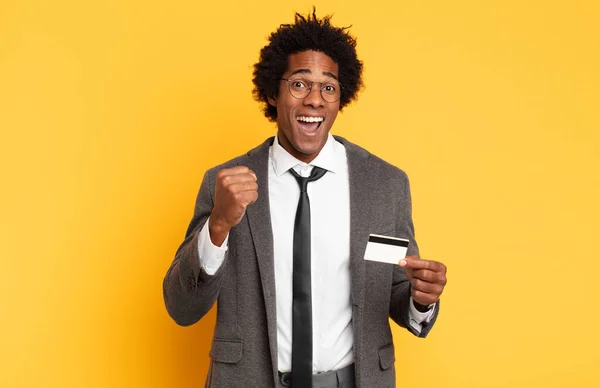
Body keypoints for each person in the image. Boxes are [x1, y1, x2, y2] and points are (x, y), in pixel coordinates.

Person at [163, 9, 447, 388]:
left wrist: (421, 298)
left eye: (328, 87)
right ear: (272, 92)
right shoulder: (226, 183)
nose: (314, 99)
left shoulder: (384, 185)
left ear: (340, 98)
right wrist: (218, 225)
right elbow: (182, 308)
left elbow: (396, 288)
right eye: (299, 84)